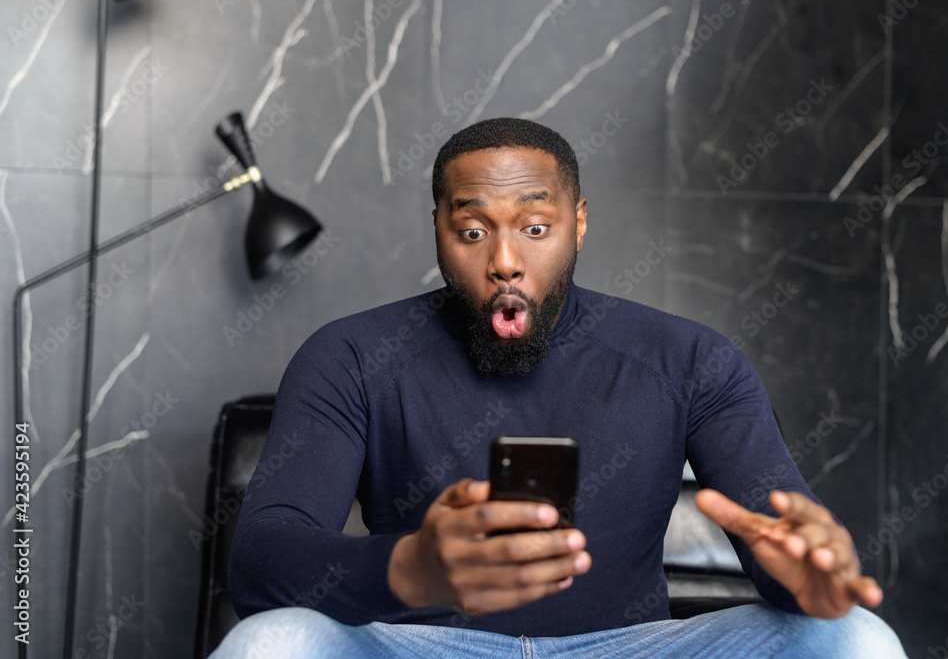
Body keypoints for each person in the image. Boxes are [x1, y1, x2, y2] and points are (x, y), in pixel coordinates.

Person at [211, 117, 907, 658]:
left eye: (535, 227)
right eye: (473, 229)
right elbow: (261, 559)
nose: (505, 260)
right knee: (269, 645)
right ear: (437, 231)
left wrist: (807, 577)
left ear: (578, 222)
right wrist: (410, 567)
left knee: (856, 639)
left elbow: (787, 540)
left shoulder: (692, 360)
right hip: (419, 643)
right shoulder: (352, 355)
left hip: (624, 646)